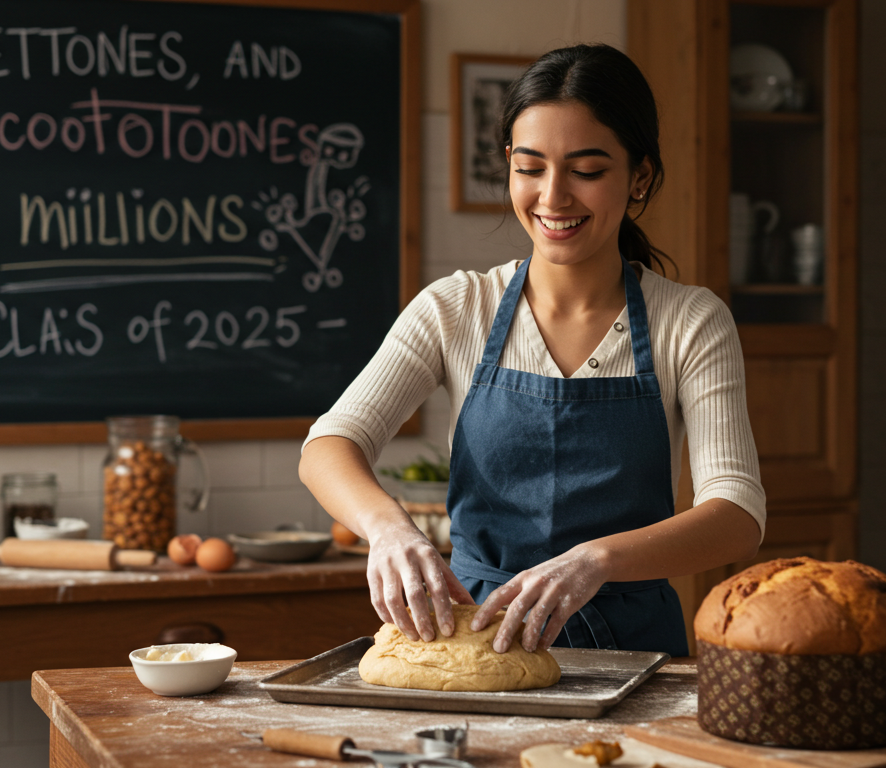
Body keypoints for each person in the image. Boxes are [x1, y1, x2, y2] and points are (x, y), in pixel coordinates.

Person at [298, 44, 765, 657]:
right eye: (531, 166)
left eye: (587, 170)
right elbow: (330, 443)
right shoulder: (457, 307)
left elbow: (736, 514)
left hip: (636, 652)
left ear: (640, 176)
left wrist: (594, 561)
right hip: (474, 639)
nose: (553, 196)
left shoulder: (690, 320)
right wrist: (388, 529)